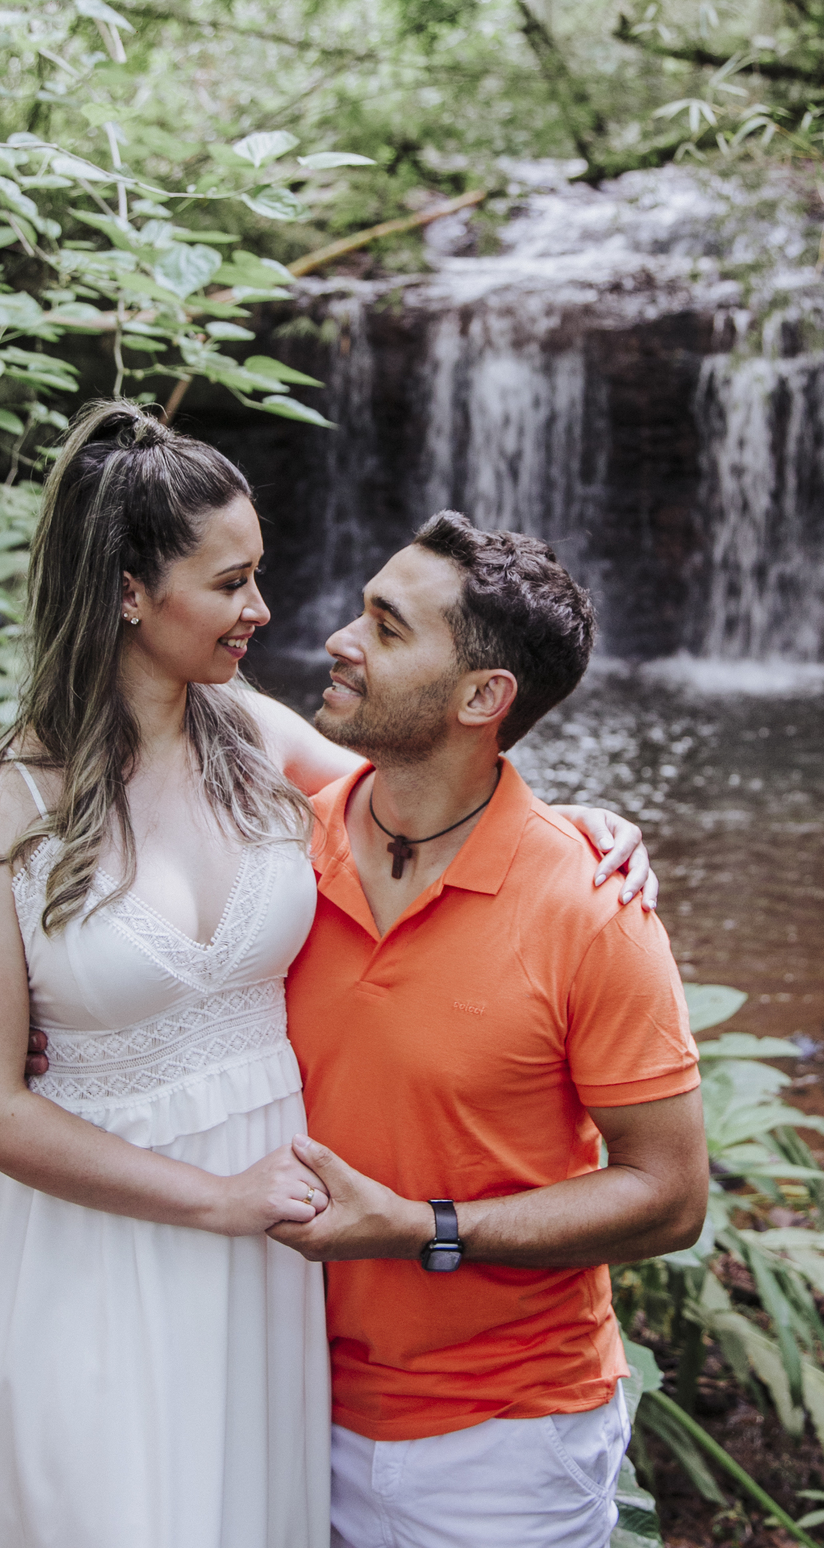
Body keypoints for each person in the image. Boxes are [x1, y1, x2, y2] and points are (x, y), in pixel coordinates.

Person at [0, 400, 659, 1548]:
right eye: (231, 583)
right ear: (128, 591)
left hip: (270, 1268)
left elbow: (439, 784)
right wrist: (217, 1201)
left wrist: (583, 828)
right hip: (103, 1238)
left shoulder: (250, 737)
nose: (266, 611)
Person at [268, 511, 708, 1548]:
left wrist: (426, 1228)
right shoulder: (273, 849)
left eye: (385, 626)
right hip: (274, 1393)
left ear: (482, 697)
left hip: (503, 1441)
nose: (338, 638)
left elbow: (670, 1196)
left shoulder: (591, 908)